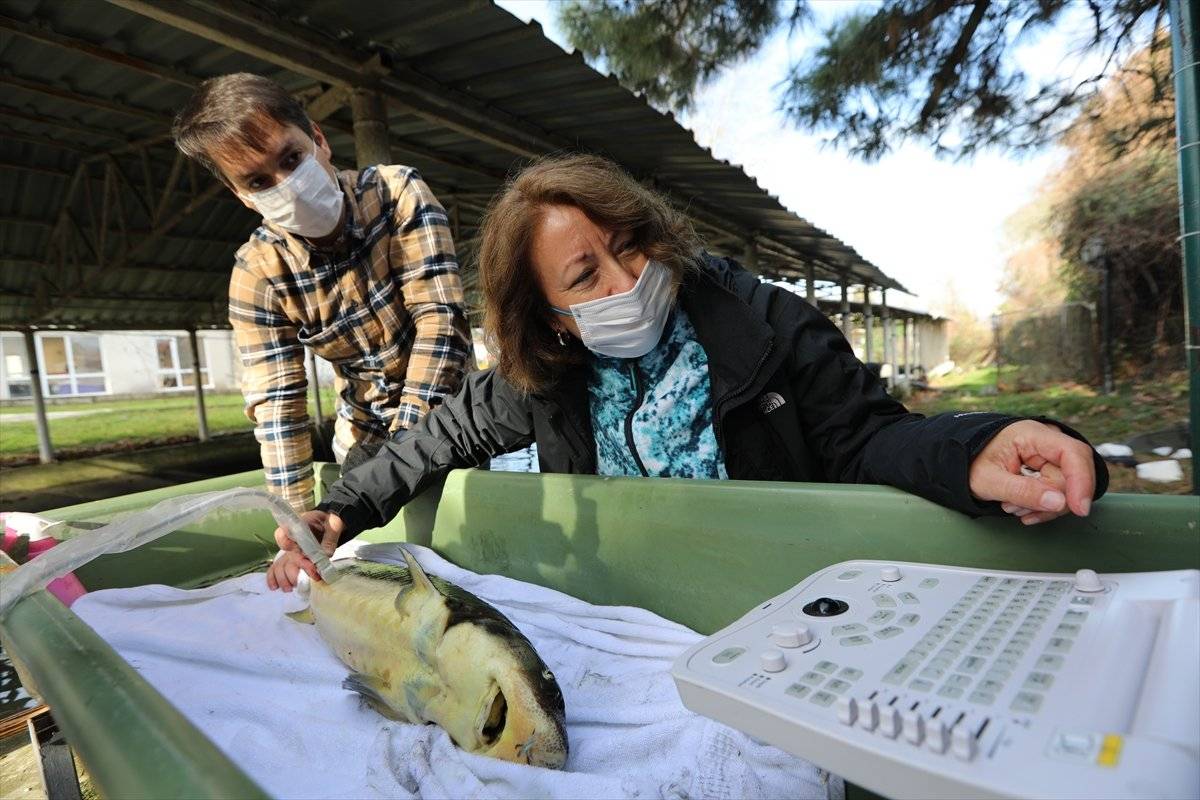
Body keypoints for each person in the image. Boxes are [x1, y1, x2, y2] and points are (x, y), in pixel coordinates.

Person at [266, 154, 1107, 591]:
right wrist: (342, 509)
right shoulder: (547, 378)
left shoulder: (767, 325)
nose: (628, 283)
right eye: (586, 275)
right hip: (618, 623)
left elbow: (867, 440)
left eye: (627, 244)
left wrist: (977, 449)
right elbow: (436, 437)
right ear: (551, 317)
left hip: (766, 611)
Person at [172, 73, 470, 512]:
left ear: (318, 139)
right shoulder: (259, 274)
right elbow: (278, 409)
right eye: (258, 182)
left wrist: (401, 452)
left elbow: (440, 322)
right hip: (363, 436)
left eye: (291, 159)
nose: (285, 184)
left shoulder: (396, 194)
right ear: (242, 196)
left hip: (454, 419)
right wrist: (296, 521)